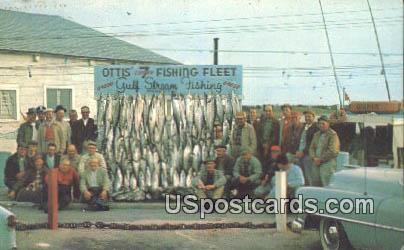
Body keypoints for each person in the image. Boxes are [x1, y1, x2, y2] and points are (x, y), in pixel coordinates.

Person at [309, 115, 340, 187]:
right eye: (319, 123)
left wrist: (321, 159)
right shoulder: (316, 134)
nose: (321, 125)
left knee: (326, 184)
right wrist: (314, 158)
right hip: (316, 162)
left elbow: (333, 151)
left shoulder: (333, 134)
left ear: (328, 124)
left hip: (328, 163)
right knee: (315, 183)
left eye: (323, 123)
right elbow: (311, 148)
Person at [295, 110, 319, 185]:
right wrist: (297, 151)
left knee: (308, 174)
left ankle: (310, 190)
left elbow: (312, 143)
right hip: (300, 154)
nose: (307, 118)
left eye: (309, 116)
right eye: (306, 117)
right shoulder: (303, 127)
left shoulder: (316, 128)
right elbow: (298, 140)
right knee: (300, 173)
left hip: (308, 154)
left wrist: (303, 152)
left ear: (313, 117)